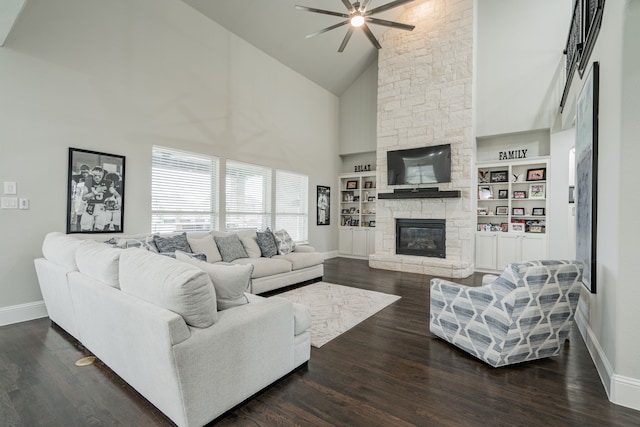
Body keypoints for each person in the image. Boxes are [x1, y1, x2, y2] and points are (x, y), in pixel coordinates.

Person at [80, 166, 121, 231]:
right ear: (92, 174)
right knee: (85, 228)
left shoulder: (107, 183)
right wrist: (96, 191)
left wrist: (119, 204)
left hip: (101, 208)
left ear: (102, 175)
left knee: (99, 229)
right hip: (90, 207)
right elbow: (84, 197)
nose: (97, 178)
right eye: (95, 175)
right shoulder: (88, 182)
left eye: (99, 176)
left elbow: (118, 196)